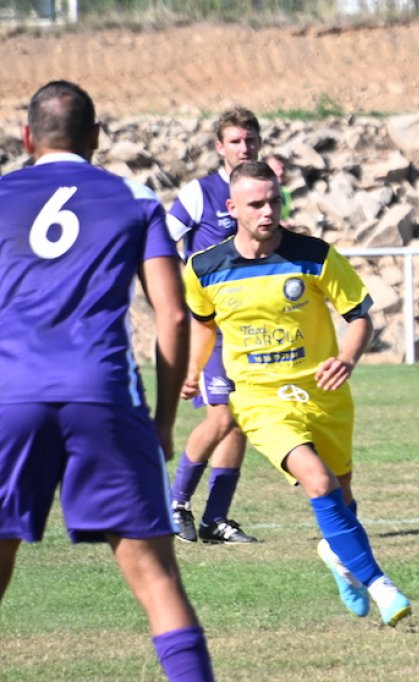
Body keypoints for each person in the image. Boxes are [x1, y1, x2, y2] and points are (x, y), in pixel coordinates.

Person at [0, 80, 246, 682]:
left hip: (11, 396)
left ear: (25, 138)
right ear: (96, 138)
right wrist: (164, 417)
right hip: (102, 394)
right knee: (155, 577)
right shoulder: (135, 204)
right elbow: (172, 319)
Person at [181, 160, 412, 627]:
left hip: (324, 395)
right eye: (255, 204)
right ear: (232, 208)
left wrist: (346, 359)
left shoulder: (316, 255)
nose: (267, 212)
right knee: (318, 482)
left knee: (342, 500)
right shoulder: (203, 268)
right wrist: (191, 370)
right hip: (259, 399)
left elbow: (360, 316)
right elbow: (203, 325)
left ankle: (337, 555)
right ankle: (382, 586)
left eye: (274, 201)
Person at [165, 107, 264, 546]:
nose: (244, 147)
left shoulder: (265, 190)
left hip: (250, 326)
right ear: (220, 147)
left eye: (250, 139)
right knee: (221, 415)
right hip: (209, 327)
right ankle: (174, 503)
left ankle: (216, 519)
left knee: (238, 422)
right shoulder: (199, 193)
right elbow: (159, 239)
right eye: (236, 141)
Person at [264, 152, 294, 220]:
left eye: (282, 168)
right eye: (276, 169)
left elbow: (285, 217)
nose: (281, 172)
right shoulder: (260, 194)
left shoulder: (285, 192)